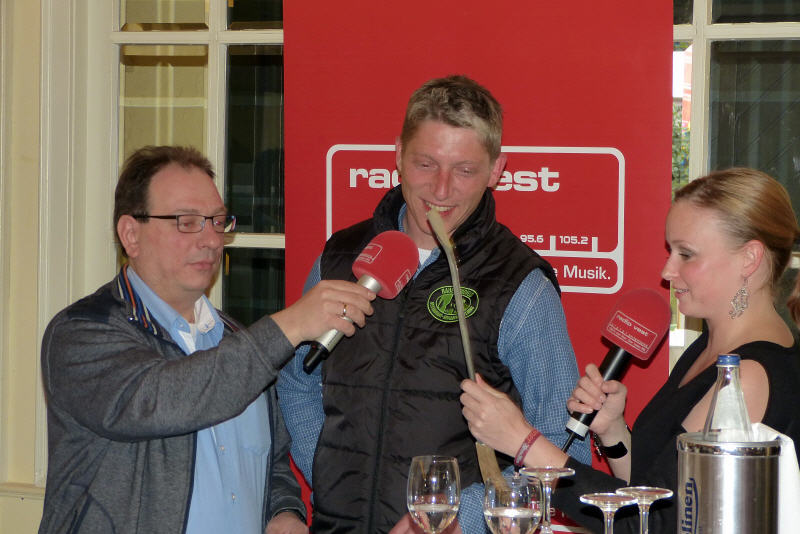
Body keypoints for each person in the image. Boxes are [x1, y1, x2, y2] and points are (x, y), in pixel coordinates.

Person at [277, 75, 591, 533]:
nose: (441, 190)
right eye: (426, 164)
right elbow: (297, 381)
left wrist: (452, 517)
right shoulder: (340, 257)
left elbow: (564, 452)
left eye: (464, 170)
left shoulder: (520, 284)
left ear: (497, 170)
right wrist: (326, 476)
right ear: (398, 155)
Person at [38, 145, 376, 534]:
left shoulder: (237, 341)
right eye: (187, 222)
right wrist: (290, 325)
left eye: (217, 221)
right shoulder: (81, 333)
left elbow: (272, 463)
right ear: (131, 234)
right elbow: (163, 400)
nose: (212, 240)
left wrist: (282, 513)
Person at [460, 167, 800, 533]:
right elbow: (655, 491)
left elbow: (656, 524)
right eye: (671, 251)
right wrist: (614, 432)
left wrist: (525, 445)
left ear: (749, 258)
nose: (667, 270)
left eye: (687, 254)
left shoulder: (746, 379)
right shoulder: (710, 348)